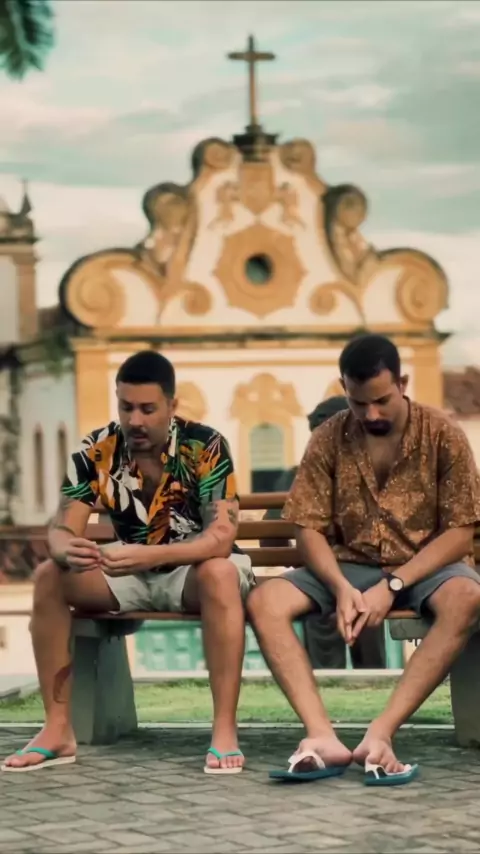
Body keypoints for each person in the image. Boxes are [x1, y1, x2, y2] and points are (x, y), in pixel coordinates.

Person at [2, 350, 254, 775]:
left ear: (171, 405)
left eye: (147, 409)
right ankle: (57, 730)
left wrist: (151, 554)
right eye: (126, 407)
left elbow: (220, 539)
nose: (135, 420)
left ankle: (224, 731)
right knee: (49, 577)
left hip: (194, 570)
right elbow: (63, 528)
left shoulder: (205, 445)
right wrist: (65, 548)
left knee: (219, 574)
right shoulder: (96, 449)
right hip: (128, 570)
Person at [248, 333, 480, 784]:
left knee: (467, 597)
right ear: (344, 390)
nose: (371, 414)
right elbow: (307, 528)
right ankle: (322, 737)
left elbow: (459, 534)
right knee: (264, 601)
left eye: (381, 401)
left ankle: (381, 733)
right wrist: (339, 587)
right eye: (359, 403)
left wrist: (392, 585)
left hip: (425, 564)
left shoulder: (443, 433)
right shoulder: (328, 437)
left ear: (402, 384)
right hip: (348, 563)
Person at [261, 396, 386, 670]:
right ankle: (373, 675)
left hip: (321, 579)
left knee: (321, 598)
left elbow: (269, 536)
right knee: (360, 598)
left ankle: (326, 679)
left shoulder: (296, 476)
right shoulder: (372, 474)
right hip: (364, 578)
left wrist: (302, 561)